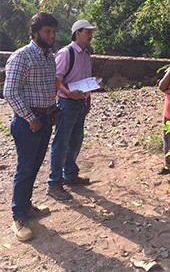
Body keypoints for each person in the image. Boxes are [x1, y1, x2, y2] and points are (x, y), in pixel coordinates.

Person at [3, 13, 59, 241]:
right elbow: (10, 92)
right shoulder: (21, 57)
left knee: (35, 166)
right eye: (47, 31)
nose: (52, 35)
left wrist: (54, 110)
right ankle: (18, 217)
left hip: (45, 119)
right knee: (25, 168)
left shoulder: (49, 57)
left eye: (53, 32)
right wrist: (30, 117)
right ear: (35, 33)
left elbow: (48, 87)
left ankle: (26, 206)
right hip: (28, 123)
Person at [47, 19, 98, 201]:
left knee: (75, 141)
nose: (90, 35)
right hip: (67, 103)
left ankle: (69, 174)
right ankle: (54, 183)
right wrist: (69, 93)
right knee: (61, 143)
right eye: (87, 32)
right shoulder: (66, 53)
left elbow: (86, 79)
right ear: (78, 33)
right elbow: (55, 79)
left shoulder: (85, 54)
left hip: (80, 104)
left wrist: (88, 100)